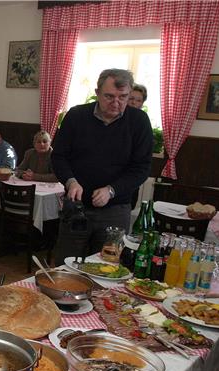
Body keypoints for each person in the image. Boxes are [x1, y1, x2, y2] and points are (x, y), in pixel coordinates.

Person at [51, 68, 153, 266]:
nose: (116, 103)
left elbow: (141, 168)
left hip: (115, 210)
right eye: (109, 96)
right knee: (65, 266)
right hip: (76, 206)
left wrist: (111, 190)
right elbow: (59, 156)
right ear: (97, 92)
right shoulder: (76, 115)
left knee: (106, 268)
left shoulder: (139, 122)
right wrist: (70, 181)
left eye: (123, 97)